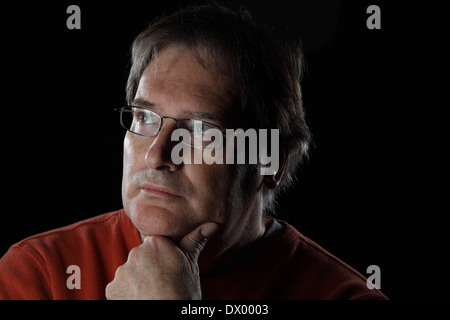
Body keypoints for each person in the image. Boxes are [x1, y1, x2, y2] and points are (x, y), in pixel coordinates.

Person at [0, 4, 387, 300]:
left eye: (201, 131)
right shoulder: (41, 274)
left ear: (270, 161)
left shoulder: (342, 296)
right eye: (145, 117)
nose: (157, 155)